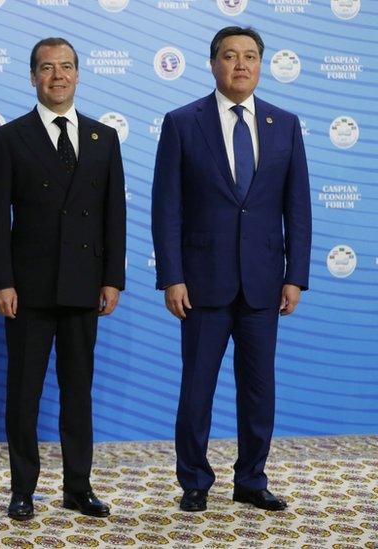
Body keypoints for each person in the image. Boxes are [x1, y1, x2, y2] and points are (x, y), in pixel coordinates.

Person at [151, 26, 311, 513]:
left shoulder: (284, 123)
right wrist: (172, 276)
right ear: (213, 63)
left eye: (250, 56)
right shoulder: (182, 122)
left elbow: (297, 208)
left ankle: (252, 479)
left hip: (264, 282)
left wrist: (295, 275)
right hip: (202, 282)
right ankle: (195, 481)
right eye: (229, 56)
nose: (240, 64)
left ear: (260, 65)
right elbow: (166, 208)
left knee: (259, 389)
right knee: (197, 387)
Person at [0, 37, 126, 521]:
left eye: (66, 67)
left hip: (85, 285)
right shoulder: (8, 138)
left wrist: (113, 278)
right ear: (32, 77)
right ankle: (23, 488)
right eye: (47, 68)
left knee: (78, 391)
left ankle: (78, 487)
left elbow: (115, 215)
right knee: (23, 393)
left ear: (78, 75)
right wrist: (2, 281)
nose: (57, 76)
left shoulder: (103, 138)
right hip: (27, 289)